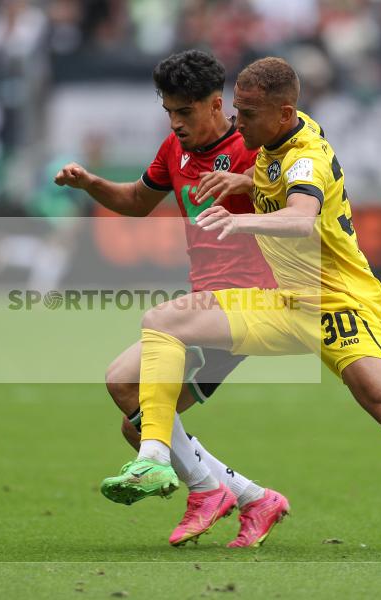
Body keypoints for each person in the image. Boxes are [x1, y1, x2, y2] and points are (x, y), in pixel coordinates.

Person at [101, 56, 381, 556]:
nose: (238, 122)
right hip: (285, 303)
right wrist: (246, 183)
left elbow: (300, 216)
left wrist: (242, 222)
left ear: (282, 113)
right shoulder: (278, 141)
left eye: (247, 114)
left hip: (340, 305)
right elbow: (275, 180)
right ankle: (163, 462)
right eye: (237, 110)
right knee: (164, 321)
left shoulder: (305, 158)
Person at [54, 50, 290, 548]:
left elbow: (302, 196)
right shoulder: (173, 151)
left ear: (215, 104)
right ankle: (253, 497)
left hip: (250, 302)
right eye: (169, 112)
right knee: (137, 422)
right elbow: (137, 203)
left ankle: (206, 491)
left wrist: (248, 181)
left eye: (185, 112)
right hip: (208, 307)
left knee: (123, 381)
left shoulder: (253, 145)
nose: (176, 123)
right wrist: (91, 182)